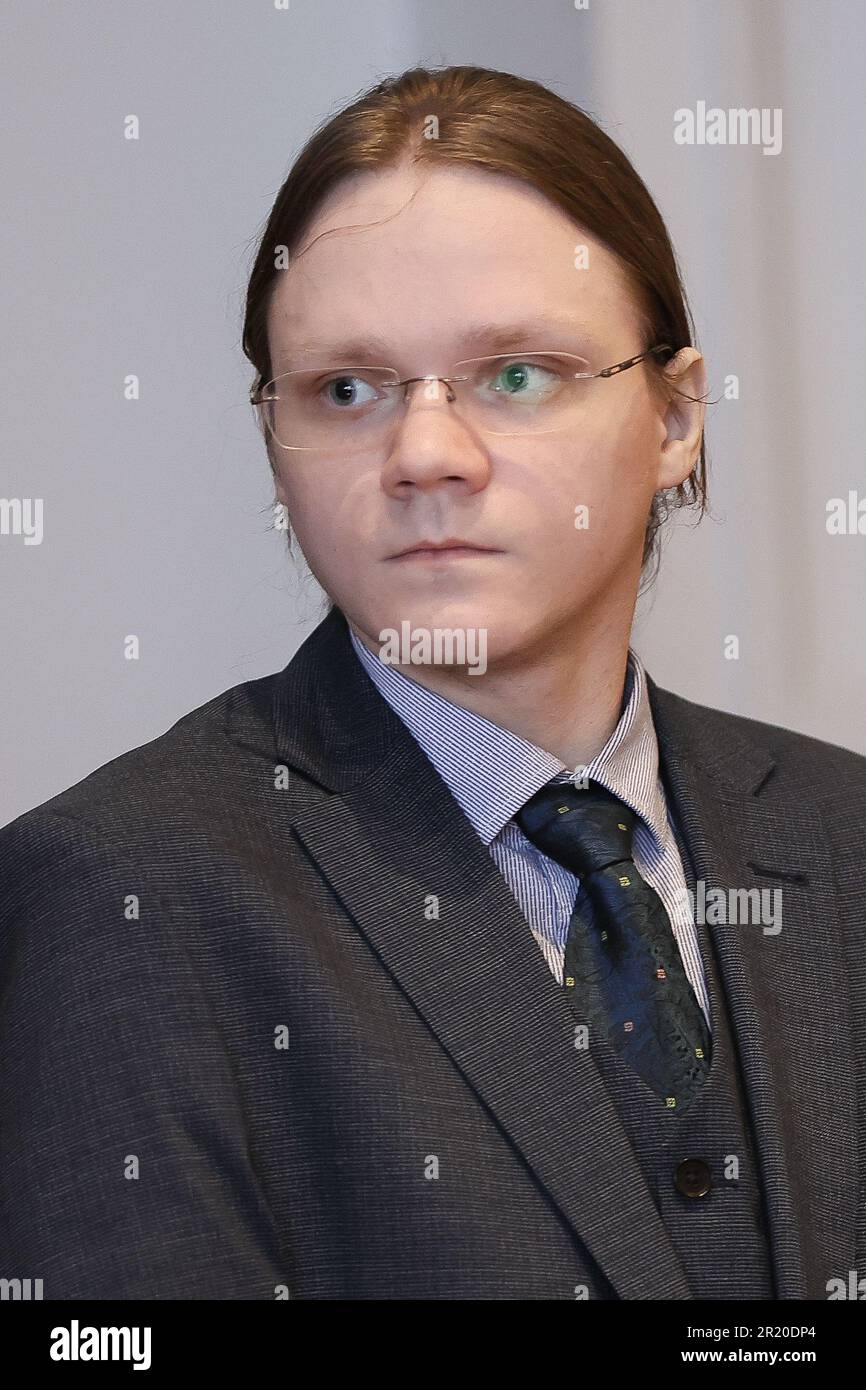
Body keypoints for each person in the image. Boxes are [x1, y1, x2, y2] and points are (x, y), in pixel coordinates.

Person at [1, 64, 863, 1302]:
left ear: (675, 418)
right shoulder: (125, 895)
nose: (422, 453)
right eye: (345, 390)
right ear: (273, 439)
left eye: (516, 374)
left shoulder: (842, 836)